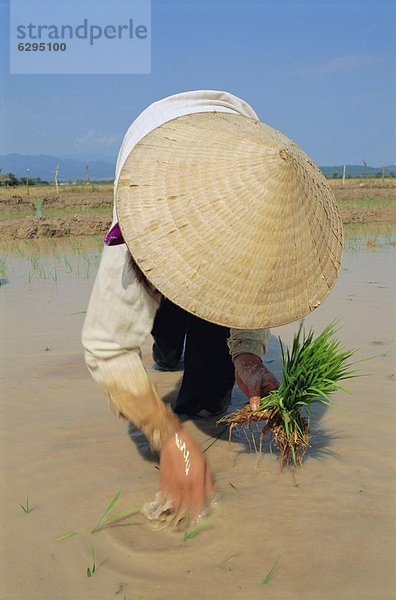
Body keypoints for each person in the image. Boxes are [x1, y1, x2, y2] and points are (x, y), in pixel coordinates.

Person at [82, 90, 343, 515]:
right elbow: (106, 346)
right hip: (157, 161)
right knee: (164, 338)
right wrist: (168, 438)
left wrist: (247, 356)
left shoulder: (264, 189)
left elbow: (253, 292)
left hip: (233, 137)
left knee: (209, 389)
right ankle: (167, 355)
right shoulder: (142, 212)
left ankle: (200, 400)